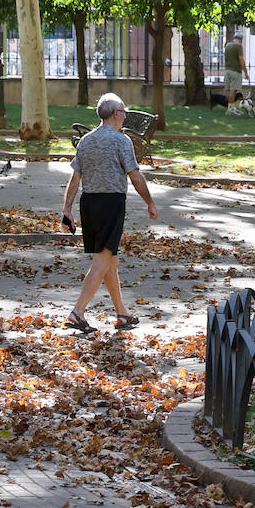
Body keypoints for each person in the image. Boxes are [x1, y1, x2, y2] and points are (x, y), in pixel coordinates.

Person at [60, 92, 158, 334]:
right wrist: (150, 202)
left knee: (109, 261)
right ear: (116, 114)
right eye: (124, 112)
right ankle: (77, 313)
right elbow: (135, 176)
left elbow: (75, 178)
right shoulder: (121, 141)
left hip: (88, 204)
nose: (125, 116)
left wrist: (67, 209)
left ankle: (122, 313)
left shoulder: (86, 141)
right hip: (111, 203)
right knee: (102, 260)